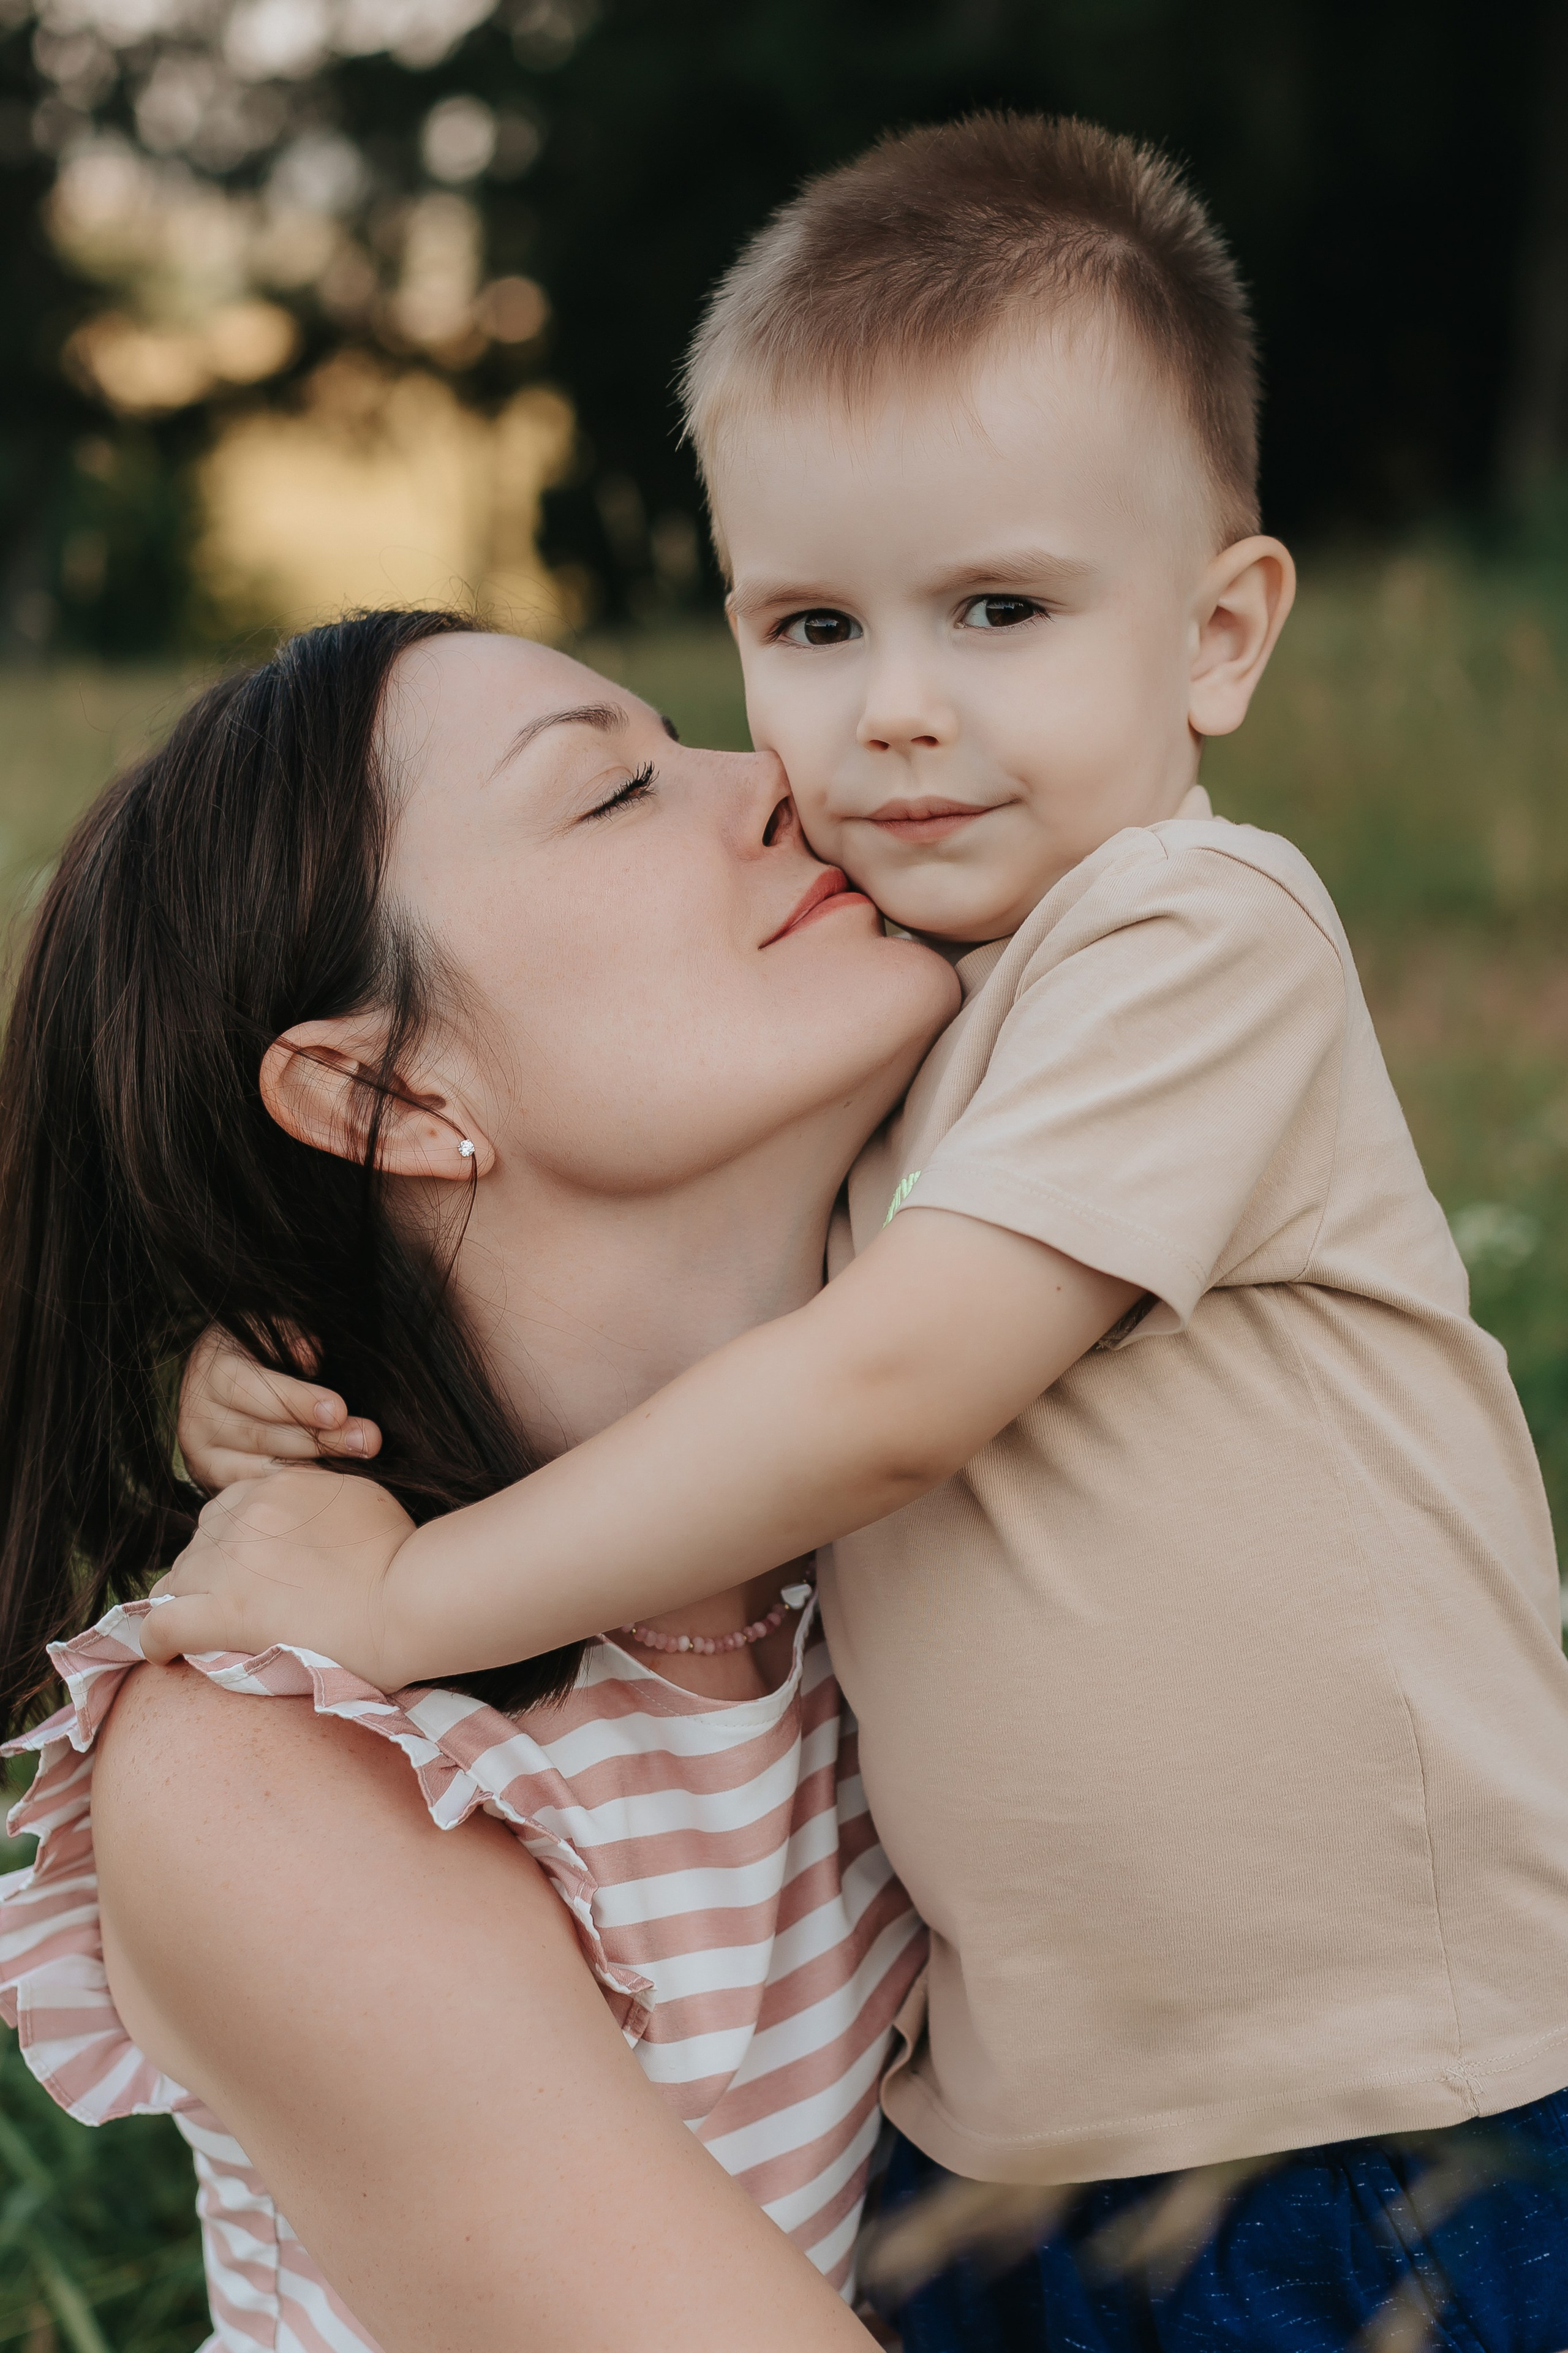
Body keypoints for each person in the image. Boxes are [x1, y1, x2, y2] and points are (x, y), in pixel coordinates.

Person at [160, 116, 1568, 2347]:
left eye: (999, 610)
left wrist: (411, 1595)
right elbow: (644, 1327)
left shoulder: (1188, 936)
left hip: (1373, 2110)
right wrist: (251, 1371)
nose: (892, 708)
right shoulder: (890, 1035)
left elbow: (887, 1392)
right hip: (1015, 2146)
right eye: (813, 626)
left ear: (1219, 635)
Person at [0, 606, 964, 2351]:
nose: (778, 773)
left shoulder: (920, 1513)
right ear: (381, 1093)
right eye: (613, 790)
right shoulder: (281, 1758)